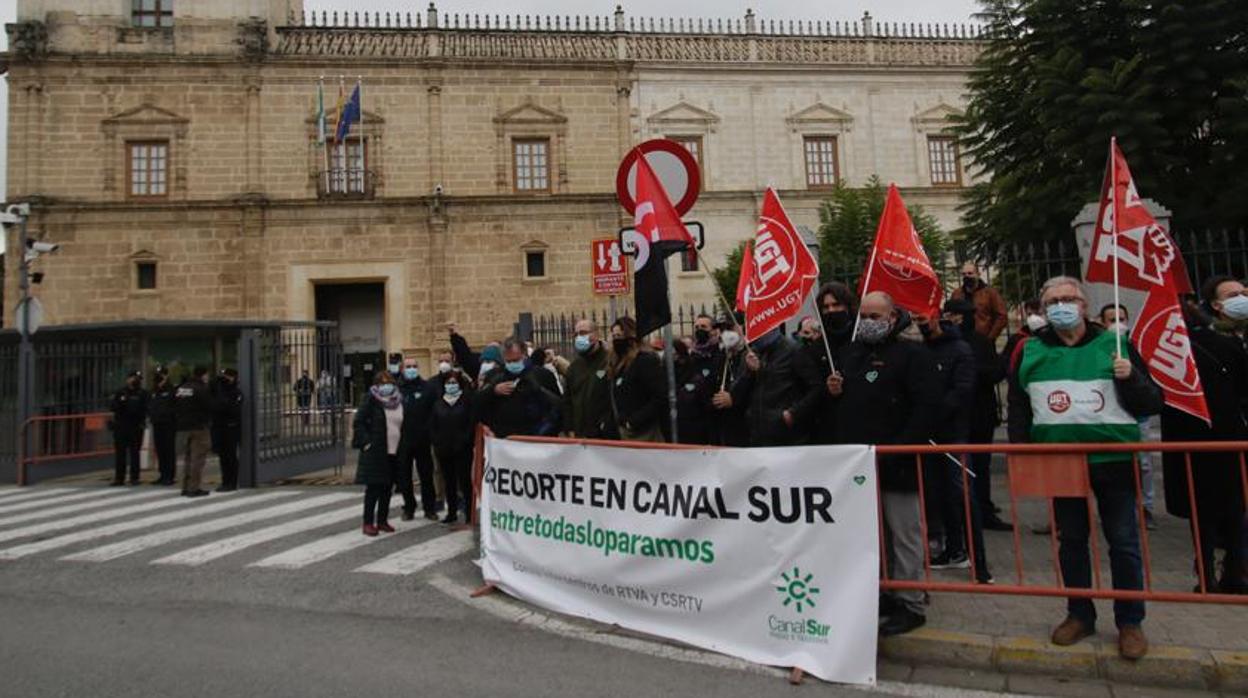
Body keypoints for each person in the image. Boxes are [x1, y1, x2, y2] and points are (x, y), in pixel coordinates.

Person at [1007, 276, 1162, 660]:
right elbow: (1019, 409)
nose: (1061, 305)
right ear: (1042, 312)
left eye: (1068, 299)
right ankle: (1079, 614)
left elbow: (1151, 402)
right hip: (1059, 462)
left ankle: (1130, 621)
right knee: (1072, 542)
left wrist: (1132, 378)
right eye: (1053, 301)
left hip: (1113, 459)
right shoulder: (1030, 351)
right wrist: (1023, 454)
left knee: (1124, 543)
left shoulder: (1117, 344)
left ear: (1085, 305)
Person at [827, 291, 941, 636]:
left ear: (892, 318)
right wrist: (835, 390)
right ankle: (886, 591)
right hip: (861, 463)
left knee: (903, 532)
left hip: (898, 461)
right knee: (874, 534)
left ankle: (911, 601)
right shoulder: (853, 354)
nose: (868, 322)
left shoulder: (913, 355)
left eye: (875, 316)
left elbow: (927, 407)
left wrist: (902, 446)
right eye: (864, 316)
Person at [1163, 279, 1248, 594]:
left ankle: (1207, 572)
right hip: (1227, 438)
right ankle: (1236, 571)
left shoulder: (1164, 351)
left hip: (1189, 440)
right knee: (1234, 507)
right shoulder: (1226, 344)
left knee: (1204, 512)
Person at [915, 304, 992, 584]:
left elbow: (962, 390)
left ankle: (979, 562)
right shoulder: (917, 350)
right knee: (936, 496)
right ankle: (953, 549)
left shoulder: (959, 349)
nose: (919, 322)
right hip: (925, 437)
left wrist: (931, 414)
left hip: (952, 434)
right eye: (913, 318)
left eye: (922, 316)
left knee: (962, 495)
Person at [1100, 303, 1158, 531]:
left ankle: (1146, 507)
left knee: (1143, 464)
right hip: (1110, 415)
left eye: (1121, 319)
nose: (1117, 324)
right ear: (1102, 322)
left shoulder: (1134, 346)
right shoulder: (1099, 347)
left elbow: (1148, 383)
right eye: (1112, 319)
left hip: (1137, 416)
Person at [725, 324, 823, 448]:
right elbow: (736, 395)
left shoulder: (794, 350)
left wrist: (793, 414)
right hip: (756, 436)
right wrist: (749, 372)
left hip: (788, 437)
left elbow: (816, 387)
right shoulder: (750, 353)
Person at [352, 371, 405, 536]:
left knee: (387, 488)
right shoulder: (371, 400)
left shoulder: (398, 401)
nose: (386, 386)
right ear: (376, 386)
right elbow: (358, 422)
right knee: (374, 488)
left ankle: (382, 521)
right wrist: (367, 442)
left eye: (389, 383)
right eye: (382, 383)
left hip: (394, 450)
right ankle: (368, 523)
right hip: (376, 451)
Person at [476, 337, 561, 438]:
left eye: (516, 360)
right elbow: (478, 404)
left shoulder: (542, 375)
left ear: (525, 355)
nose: (512, 364)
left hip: (537, 440)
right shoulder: (494, 376)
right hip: (502, 440)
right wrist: (493, 391)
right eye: (508, 361)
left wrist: (546, 432)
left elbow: (557, 407)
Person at [809, 282, 858, 445]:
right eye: (826, 307)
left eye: (836, 305)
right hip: (827, 430)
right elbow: (811, 387)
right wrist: (828, 389)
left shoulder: (861, 341)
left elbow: (873, 378)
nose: (831, 310)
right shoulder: (816, 347)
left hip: (859, 427)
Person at [607, 317, 668, 442]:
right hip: (623, 430)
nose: (616, 340)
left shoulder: (645, 360)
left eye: (619, 335)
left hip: (643, 431)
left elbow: (660, 396)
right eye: (614, 336)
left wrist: (634, 421)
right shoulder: (617, 363)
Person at [430, 369, 476, 525]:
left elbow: (471, 424)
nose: (451, 385)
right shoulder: (438, 403)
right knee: (448, 482)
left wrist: (465, 440)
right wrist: (437, 442)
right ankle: (451, 513)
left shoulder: (466, 400)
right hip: (444, 449)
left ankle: (470, 514)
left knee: (464, 482)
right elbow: (433, 425)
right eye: (448, 383)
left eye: (454, 383)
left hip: (462, 449)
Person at [396, 356, 437, 521]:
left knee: (426, 475)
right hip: (402, 439)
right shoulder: (396, 389)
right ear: (402, 369)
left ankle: (429, 508)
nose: (411, 369)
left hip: (423, 439)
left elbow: (434, 412)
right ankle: (409, 507)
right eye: (408, 366)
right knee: (404, 476)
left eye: (414, 366)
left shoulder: (427, 388)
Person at [561, 319, 612, 439]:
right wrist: (569, 427)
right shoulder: (575, 367)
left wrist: (604, 424)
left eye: (583, 333)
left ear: (596, 334)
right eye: (576, 334)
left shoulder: (609, 361)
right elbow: (567, 400)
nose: (579, 337)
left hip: (603, 434)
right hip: (579, 434)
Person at [175, 366, 215, 498]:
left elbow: (173, 404)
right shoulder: (201, 389)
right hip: (198, 427)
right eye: (207, 375)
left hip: (182, 428)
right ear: (203, 375)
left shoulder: (181, 388)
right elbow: (209, 406)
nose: (207, 378)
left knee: (187, 458)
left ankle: (185, 487)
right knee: (197, 459)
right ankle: (194, 488)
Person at [709, 318, 751, 447]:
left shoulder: (751, 355)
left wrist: (734, 398)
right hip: (724, 425)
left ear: (741, 327)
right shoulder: (721, 356)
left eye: (729, 328)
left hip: (745, 427)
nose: (725, 333)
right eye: (722, 330)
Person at [109, 370, 149, 486]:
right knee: (120, 454)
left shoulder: (143, 393)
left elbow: (145, 408)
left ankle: (134, 477)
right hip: (121, 426)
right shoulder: (120, 392)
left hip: (136, 427)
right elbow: (113, 407)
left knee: (135, 453)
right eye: (134, 378)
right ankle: (119, 478)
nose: (136, 381)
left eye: (138, 379)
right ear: (128, 379)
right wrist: (122, 402)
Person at [950, 262, 1009, 341]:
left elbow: (1002, 316)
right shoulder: (957, 294)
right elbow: (951, 315)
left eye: (970, 273)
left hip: (983, 339)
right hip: (963, 340)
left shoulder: (990, 293)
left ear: (978, 274)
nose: (966, 276)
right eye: (964, 274)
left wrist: (990, 337)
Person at [211, 369, 244, 492]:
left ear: (233, 378)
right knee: (222, 456)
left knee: (231, 456)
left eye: (227, 377)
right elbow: (213, 406)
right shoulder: (218, 391)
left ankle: (232, 482)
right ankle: (225, 481)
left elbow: (233, 409)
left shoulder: (237, 393)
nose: (225, 379)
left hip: (231, 428)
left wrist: (222, 398)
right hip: (219, 427)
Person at [148, 367, 178, 486]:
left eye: (162, 374)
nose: (160, 377)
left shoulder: (172, 389)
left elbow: (175, 406)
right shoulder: (154, 390)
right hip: (157, 423)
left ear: (167, 375)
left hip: (169, 424)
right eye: (158, 374)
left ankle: (169, 476)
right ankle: (162, 474)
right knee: (160, 450)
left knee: (168, 450)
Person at [1203, 275, 1248, 353]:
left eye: (1244, 295)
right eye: (1234, 295)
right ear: (1216, 305)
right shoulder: (1208, 340)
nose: (1243, 299)